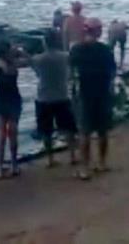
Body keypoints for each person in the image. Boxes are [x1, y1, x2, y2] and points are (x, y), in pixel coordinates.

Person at [69, 18, 117, 180]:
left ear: (85, 30)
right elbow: (112, 72)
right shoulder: (105, 50)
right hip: (102, 93)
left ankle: (85, 168)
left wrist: (72, 92)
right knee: (102, 131)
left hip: (84, 93)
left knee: (85, 132)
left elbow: (72, 73)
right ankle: (102, 163)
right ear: (97, 31)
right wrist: (111, 90)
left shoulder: (76, 49)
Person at [31, 30, 78, 168]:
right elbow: (71, 71)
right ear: (57, 42)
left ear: (44, 43)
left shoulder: (38, 59)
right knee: (69, 128)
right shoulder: (65, 56)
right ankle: (73, 156)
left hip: (44, 98)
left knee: (46, 131)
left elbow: (37, 73)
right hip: (62, 96)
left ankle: (50, 159)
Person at [0, 41, 30, 179]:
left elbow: (28, 61)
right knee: (7, 133)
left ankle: (7, 166)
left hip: (6, 98)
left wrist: (17, 52)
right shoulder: (5, 63)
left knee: (7, 133)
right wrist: (17, 54)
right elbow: (24, 62)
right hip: (8, 99)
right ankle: (7, 166)